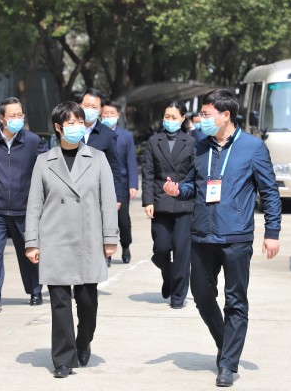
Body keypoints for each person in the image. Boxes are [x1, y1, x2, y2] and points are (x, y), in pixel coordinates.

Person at [163, 89, 281, 387]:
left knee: (235, 301)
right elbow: (194, 185)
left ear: (225, 115)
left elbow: (269, 192)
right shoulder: (200, 147)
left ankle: (227, 363)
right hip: (202, 234)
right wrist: (178, 190)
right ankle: (225, 342)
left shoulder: (253, 148)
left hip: (236, 237)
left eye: (206, 114)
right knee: (202, 296)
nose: (200, 119)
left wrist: (272, 232)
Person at [25, 101, 118, 378]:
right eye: (71, 123)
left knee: (87, 302)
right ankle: (63, 360)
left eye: (80, 122)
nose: (77, 127)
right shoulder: (44, 161)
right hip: (54, 240)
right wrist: (32, 242)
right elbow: (34, 204)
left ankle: (83, 340)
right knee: (60, 302)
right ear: (58, 127)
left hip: (89, 239)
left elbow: (108, 200)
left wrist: (110, 237)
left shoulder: (97, 158)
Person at [0, 97, 47, 316]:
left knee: (29, 251)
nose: (17, 119)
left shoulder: (32, 141)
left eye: (20, 115)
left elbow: (47, 170)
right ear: (1, 118)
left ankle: (35, 290)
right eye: (12, 116)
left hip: (26, 209)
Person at [141, 100, 196, 309]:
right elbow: (148, 173)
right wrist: (148, 201)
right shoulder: (154, 141)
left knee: (182, 251)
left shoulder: (191, 143)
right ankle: (169, 274)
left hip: (184, 202)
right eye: (167, 117)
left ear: (182, 119)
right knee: (161, 248)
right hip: (160, 202)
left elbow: (195, 174)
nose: (169, 120)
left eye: (174, 117)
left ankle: (178, 295)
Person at [79, 88, 123, 266]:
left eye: (93, 107)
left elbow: (114, 167)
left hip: (96, 194)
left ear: (100, 110)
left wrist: (117, 196)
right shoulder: (69, 129)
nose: (89, 109)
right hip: (71, 192)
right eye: (86, 105)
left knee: (94, 235)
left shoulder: (107, 134)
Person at [101, 100, 139, 263]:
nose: (109, 116)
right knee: (104, 220)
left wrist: (133, 184)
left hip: (121, 184)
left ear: (118, 115)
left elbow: (131, 160)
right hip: (102, 183)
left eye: (112, 113)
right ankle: (107, 253)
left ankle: (125, 245)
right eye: (106, 113)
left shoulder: (126, 136)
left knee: (123, 220)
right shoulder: (97, 134)